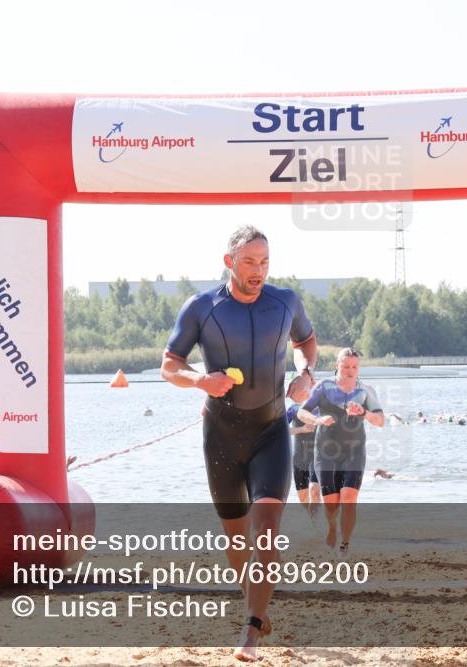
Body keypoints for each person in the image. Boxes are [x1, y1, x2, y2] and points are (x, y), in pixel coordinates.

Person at [160, 225, 318, 662]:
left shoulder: (285, 301)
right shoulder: (202, 307)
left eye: (265, 261)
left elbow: (306, 340)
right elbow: (169, 365)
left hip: (271, 433)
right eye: (249, 261)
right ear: (229, 261)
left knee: (266, 531)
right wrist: (199, 380)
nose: (259, 271)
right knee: (237, 541)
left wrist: (306, 375)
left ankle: (250, 630)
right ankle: (258, 608)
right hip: (222, 437)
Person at [297, 347, 384, 558]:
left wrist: (363, 412)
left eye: (354, 367)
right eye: (346, 366)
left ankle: (344, 543)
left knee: (349, 496)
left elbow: (380, 420)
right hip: (325, 452)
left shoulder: (365, 390)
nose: (350, 371)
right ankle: (332, 528)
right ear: (337, 365)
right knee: (332, 504)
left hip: (354, 451)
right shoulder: (323, 387)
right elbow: (302, 412)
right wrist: (317, 420)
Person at [286, 402, 320, 519]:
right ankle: (314, 526)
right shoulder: (294, 408)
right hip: (299, 459)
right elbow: (282, 430)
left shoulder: (325, 408)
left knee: (314, 490)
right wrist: (302, 429)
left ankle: (320, 527)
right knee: (304, 501)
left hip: (318, 458)